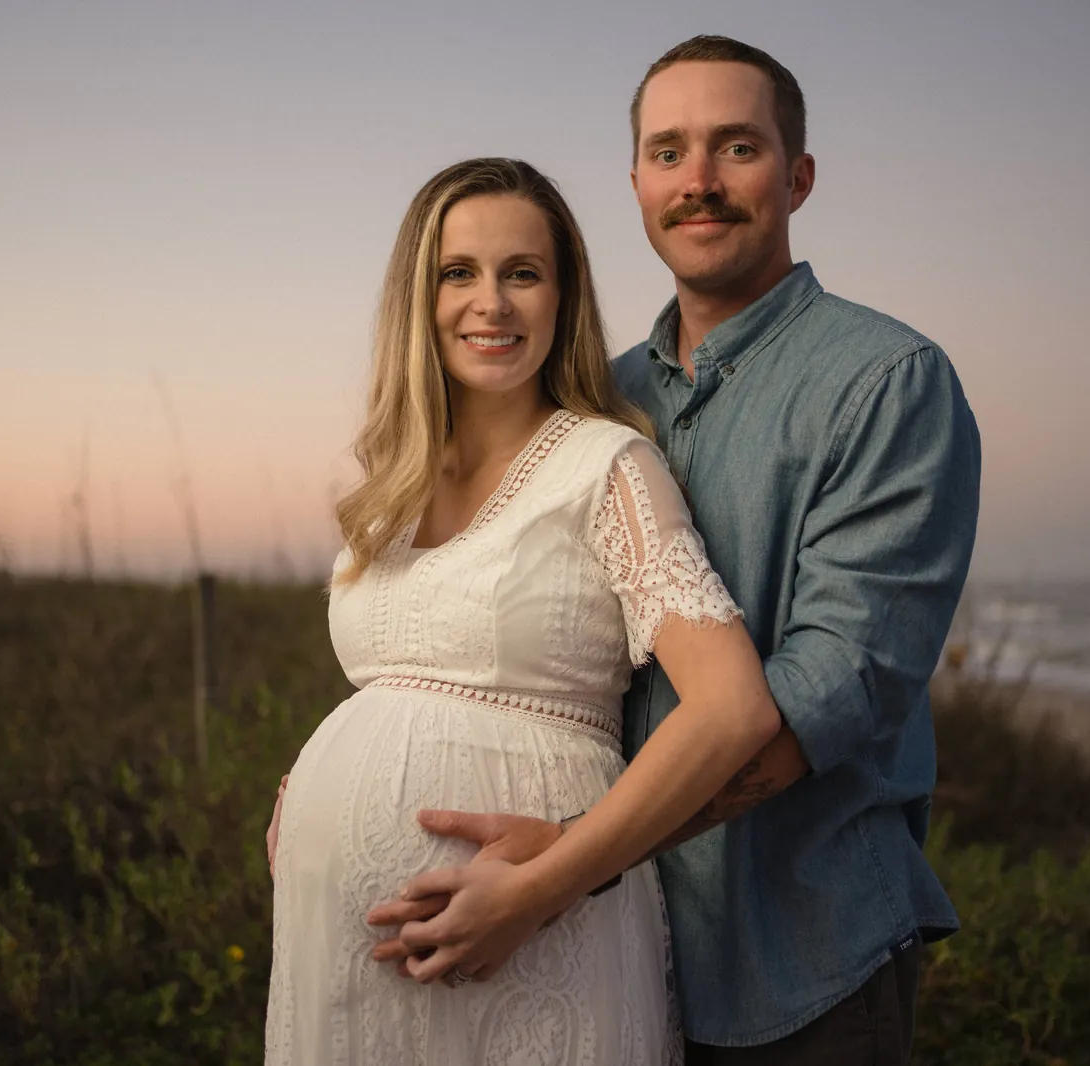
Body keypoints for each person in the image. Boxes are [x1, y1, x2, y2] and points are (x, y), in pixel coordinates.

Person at [365, 35, 982, 1066]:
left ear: (798, 176)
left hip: (801, 957)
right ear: (637, 181)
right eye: (667, 152)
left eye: (736, 149)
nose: (697, 182)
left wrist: (563, 867)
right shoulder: (592, 403)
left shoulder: (888, 382)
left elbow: (830, 686)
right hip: (602, 955)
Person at [262, 155, 789, 1065]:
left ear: (564, 297)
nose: (491, 304)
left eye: (523, 274)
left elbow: (732, 708)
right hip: (341, 954)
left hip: (537, 941)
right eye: (458, 273)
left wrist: (545, 887)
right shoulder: (388, 491)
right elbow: (404, 683)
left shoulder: (607, 465)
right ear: (417, 300)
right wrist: (311, 792)